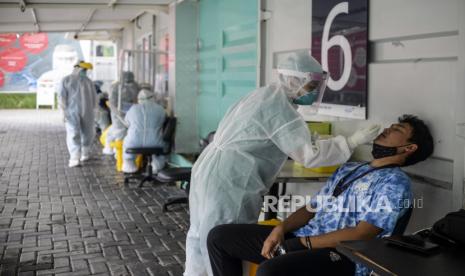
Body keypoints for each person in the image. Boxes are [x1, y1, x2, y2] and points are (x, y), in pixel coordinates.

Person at [184, 52, 381, 276]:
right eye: (312, 84)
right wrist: (351, 141)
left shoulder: (264, 95)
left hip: (210, 170)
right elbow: (310, 156)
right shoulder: (280, 108)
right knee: (224, 241)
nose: (315, 90)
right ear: (294, 81)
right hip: (232, 181)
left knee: (199, 234)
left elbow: (291, 138)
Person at [207, 114, 434, 276]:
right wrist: (281, 229)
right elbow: (311, 208)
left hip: (343, 256)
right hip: (304, 237)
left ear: (409, 148)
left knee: (271, 270)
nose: (388, 128)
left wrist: (303, 243)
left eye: (398, 129)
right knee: (219, 237)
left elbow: (362, 233)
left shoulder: (395, 183)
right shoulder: (350, 168)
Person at [58, 61, 97, 168]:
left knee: (87, 132)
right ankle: (75, 157)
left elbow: (94, 98)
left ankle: (85, 153)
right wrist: (63, 111)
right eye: (84, 70)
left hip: (84, 111)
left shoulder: (88, 82)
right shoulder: (66, 80)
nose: (85, 72)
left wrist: (95, 110)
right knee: (74, 133)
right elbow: (62, 97)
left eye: (86, 70)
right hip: (73, 111)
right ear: (77, 68)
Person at [122, 89, 167, 173]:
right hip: (155, 143)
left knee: (126, 142)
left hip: (134, 143)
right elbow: (163, 121)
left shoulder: (133, 109)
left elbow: (127, 122)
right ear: (152, 98)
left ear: (139, 99)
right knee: (159, 154)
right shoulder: (160, 109)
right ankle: (156, 167)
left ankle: (129, 165)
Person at [102, 71, 139, 155]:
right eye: (127, 81)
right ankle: (115, 149)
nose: (129, 84)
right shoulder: (115, 87)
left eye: (130, 81)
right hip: (118, 113)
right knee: (119, 131)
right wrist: (119, 113)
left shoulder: (135, 86)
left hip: (131, 112)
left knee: (129, 131)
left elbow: (137, 99)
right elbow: (112, 102)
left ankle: (120, 149)